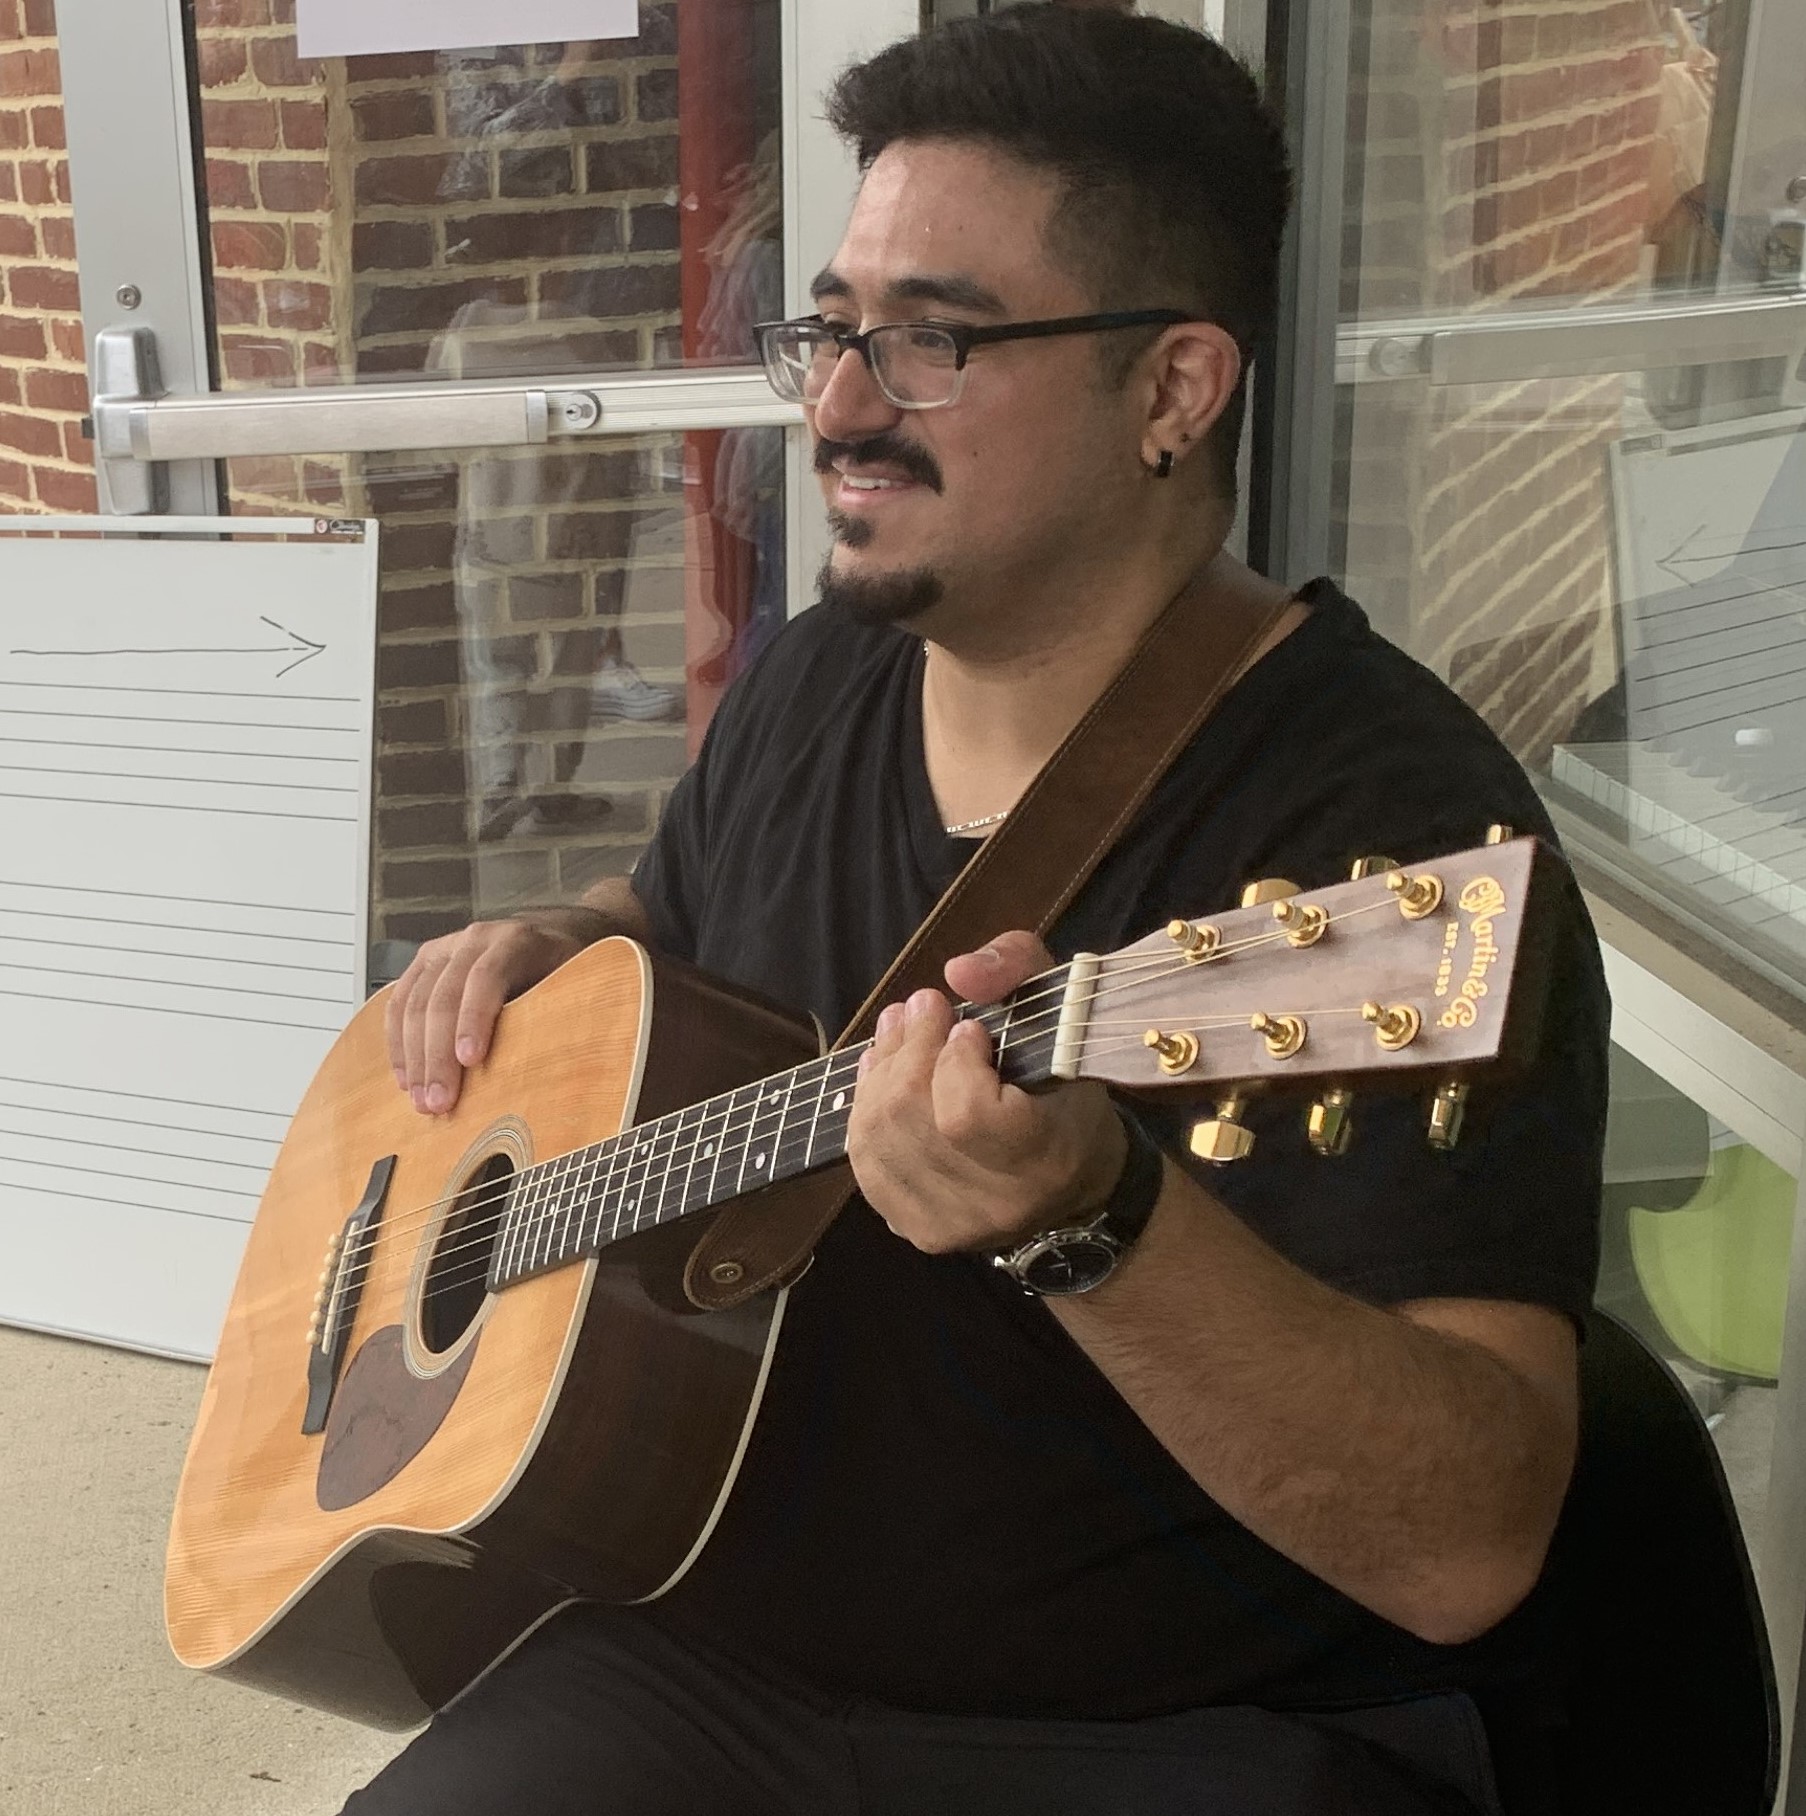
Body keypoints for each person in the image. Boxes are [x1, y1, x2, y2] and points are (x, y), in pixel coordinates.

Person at [371, 8, 1606, 1813]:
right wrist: (553, 944)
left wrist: (1097, 1223)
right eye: (832, 330)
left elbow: (1462, 1543)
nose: (837, 409)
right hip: (707, 1651)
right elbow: (669, 903)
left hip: (1176, 1729)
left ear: (1172, 391)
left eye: (931, 342)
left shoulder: (1386, 843)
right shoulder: (822, 672)